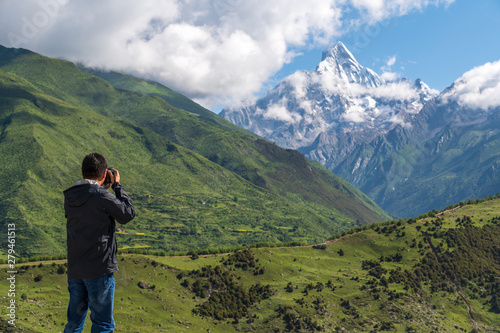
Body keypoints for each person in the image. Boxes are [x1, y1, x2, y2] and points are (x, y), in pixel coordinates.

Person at [63, 153, 136, 333]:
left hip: (76, 269)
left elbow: (90, 208)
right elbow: (127, 214)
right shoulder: (101, 196)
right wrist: (117, 186)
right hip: (99, 268)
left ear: (81, 171)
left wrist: (103, 186)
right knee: (103, 324)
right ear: (104, 174)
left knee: (74, 323)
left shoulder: (70, 196)